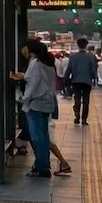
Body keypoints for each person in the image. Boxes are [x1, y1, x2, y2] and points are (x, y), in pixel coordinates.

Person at [14, 39, 64, 178]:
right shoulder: (47, 62)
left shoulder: (35, 63)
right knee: (43, 135)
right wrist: (24, 76)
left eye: (24, 48)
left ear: (30, 50)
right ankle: (43, 164)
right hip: (46, 103)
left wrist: (24, 99)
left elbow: (34, 83)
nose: (23, 51)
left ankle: (42, 167)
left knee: (37, 137)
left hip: (36, 103)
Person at [66, 38, 99, 125]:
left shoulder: (72, 56)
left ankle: (77, 115)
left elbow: (69, 69)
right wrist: (94, 78)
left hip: (76, 81)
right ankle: (84, 119)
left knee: (77, 99)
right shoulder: (90, 57)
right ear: (86, 45)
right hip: (87, 81)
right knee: (86, 101)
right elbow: (93, 70)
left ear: (78, 45)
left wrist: (66, 79)